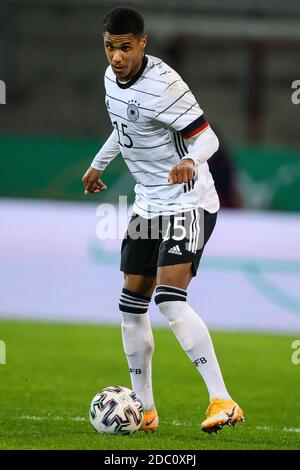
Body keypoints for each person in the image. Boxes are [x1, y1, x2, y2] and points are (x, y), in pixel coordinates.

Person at [82, 6, 244, 434]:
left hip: (188, 201)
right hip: (148, 204)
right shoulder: (110, 79)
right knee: (130, 304)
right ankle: (146, 410)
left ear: (142, 43)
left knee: (169, 299)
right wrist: (99, 164)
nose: (116, 57)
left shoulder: (165, 84)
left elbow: (206, 135)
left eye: (125, 47)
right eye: (110, 47)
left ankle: (222, 400)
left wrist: (190, 159)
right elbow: (125, 126)